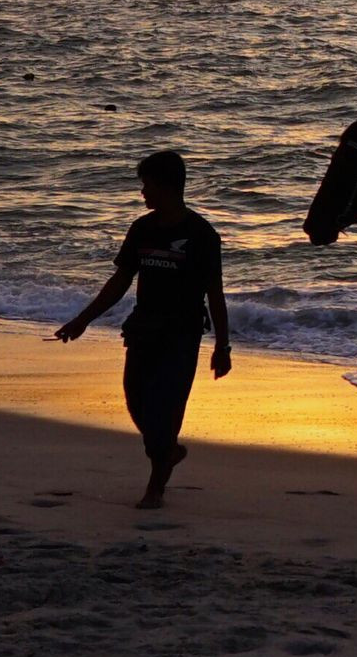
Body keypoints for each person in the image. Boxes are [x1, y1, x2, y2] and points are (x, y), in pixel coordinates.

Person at [54, 150, 231, 508]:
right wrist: (82, 320)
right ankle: (167, 453)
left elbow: (215, 294)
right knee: (136, 401)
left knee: (167, 408)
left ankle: (155, 487)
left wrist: (222, 347)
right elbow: (120, 281)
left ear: (167, 187)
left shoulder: (201, 235)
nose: (143, 192)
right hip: (143, 329)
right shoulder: (142, 229)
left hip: (182, 334)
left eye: (147, 185)